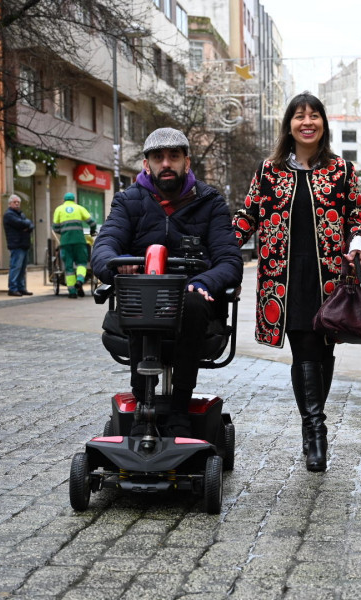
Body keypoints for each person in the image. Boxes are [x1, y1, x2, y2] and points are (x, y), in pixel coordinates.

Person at [232, 92, 361, 472]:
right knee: (306, 351)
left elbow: (356, 216)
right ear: (288, 125)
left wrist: (357, 241)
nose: (307, 122)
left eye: (314, 116)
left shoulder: (342, 170)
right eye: (299, 116)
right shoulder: (269, 170)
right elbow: (249, 214)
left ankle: (312, 430)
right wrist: (222, 247)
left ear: (324, 123)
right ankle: (316, 433)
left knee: (324, 355)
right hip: (284, 281)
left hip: (330, 281)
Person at [92, 127, 243, 437]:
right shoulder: (127, 201)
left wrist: (203, 281)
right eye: (158, 157)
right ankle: (141, 405)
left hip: (195, 307)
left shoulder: (211, 201)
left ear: (186, 162)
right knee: (142, 295)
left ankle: (179, 412)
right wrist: (118, 268)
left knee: (189, 299)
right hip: (142, 304)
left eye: (173, 157)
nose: (166, 164)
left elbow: (229, 261)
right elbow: (105, 247)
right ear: (146, 164)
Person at [52, 192, 96, 298]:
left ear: (64, 200)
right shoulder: (79, 208)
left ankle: (72, 292)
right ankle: (80, 280)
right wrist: (92, 232)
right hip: (79, 241)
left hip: (65, 242)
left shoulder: (59, 209)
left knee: (68, 267)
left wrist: (63, 232)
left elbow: (55, 227)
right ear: (74, 200)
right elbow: (92, 222)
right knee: (81, 263)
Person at [3, 194, 34, 296]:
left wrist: (26, 224)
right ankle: (13, 288)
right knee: (16, 267)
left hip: (23, 244)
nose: (17, 204)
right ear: (10, 204)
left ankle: (21, 288)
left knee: (22, 269)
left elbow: (30, 225)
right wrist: (26, 224)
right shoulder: (9, 215)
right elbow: (20, 224)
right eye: (14, 202)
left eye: (18, 202)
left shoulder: (21, 214)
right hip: (16, 244)